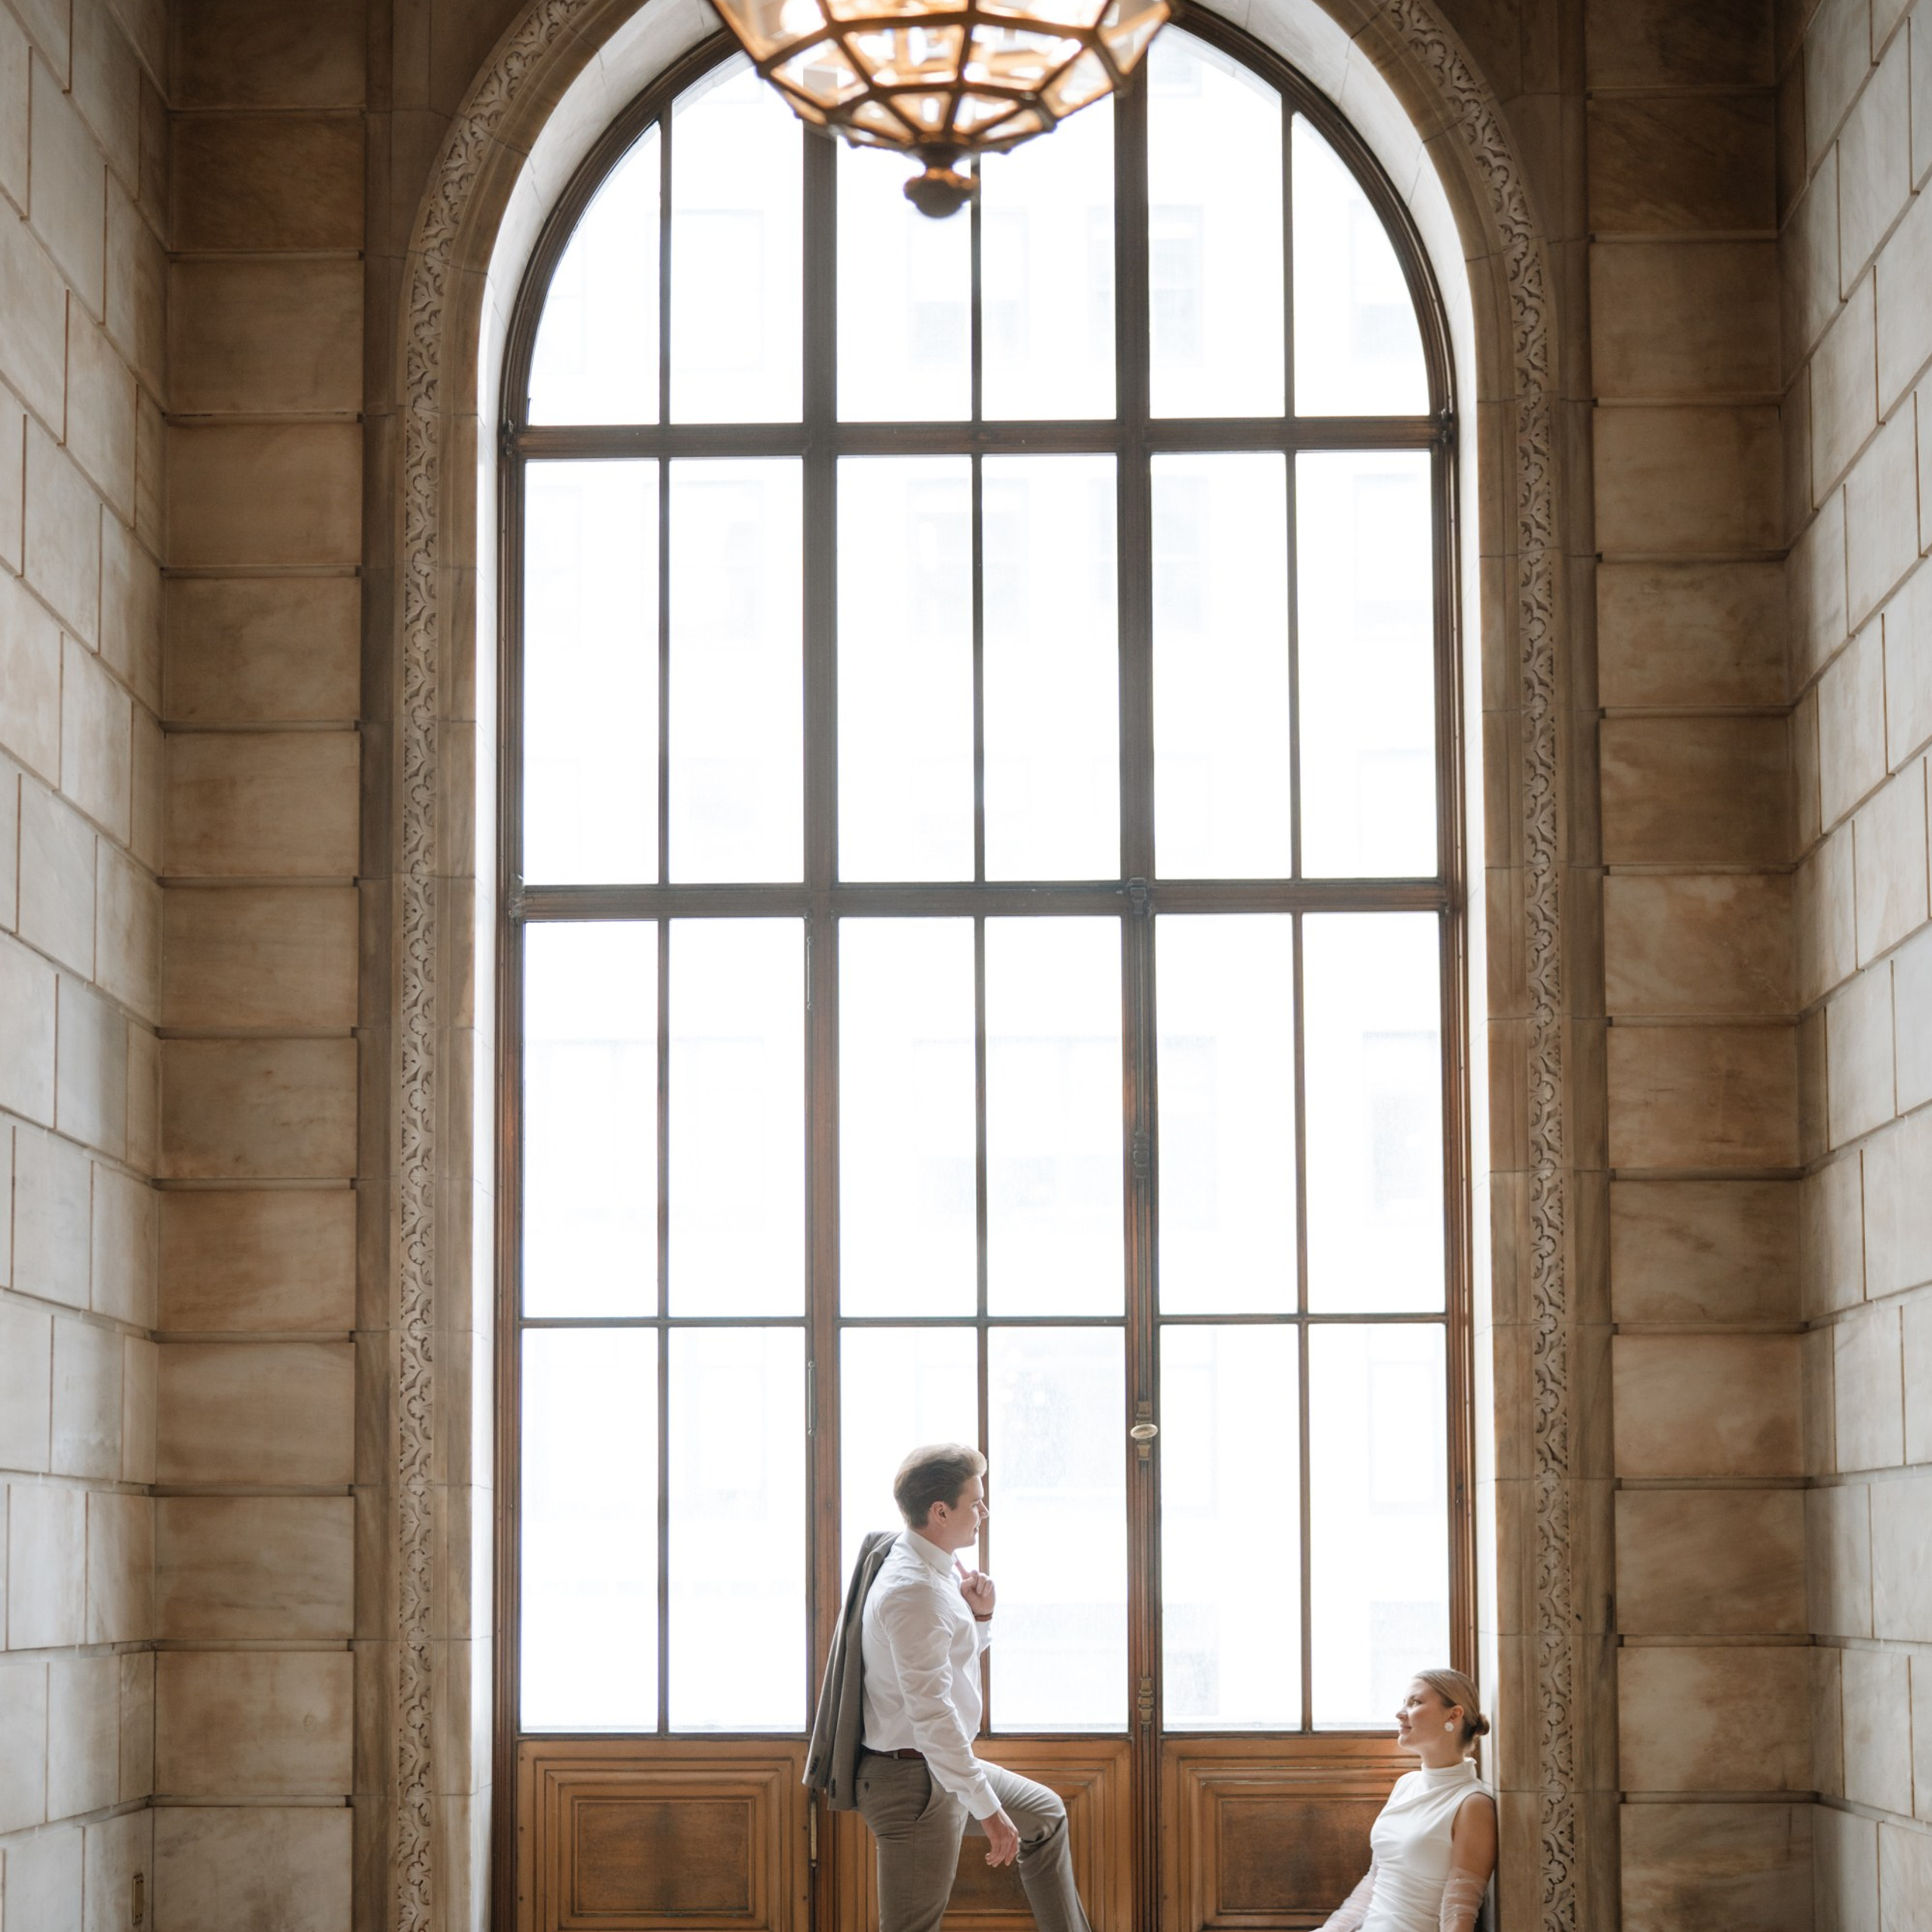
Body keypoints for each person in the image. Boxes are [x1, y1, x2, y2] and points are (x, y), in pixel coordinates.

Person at [851, 1442, 1093, 1932]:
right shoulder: (914, 1590)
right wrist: (988, 1810)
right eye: (975, 1501)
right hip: (913, 1780)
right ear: (940, 1511)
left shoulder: (930, 1568)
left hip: (936, 1763)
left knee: (1045, 1815)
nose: (984, 1511)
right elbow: (932, 1716)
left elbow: (940, 1670)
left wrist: (979, 1618)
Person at [1318, 1669, 1497, 1932]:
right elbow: (1375, 1882)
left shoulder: (1472, 1804)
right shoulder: (1406, 1784)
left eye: (1415, 1703)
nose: (1401, 1713)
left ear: (1454, 1715)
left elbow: (1459, 1912)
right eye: (1405, 1703)